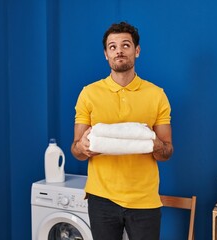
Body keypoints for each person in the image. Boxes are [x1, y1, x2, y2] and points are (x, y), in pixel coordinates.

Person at [71, 21, 173, 240]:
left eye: (126, 45)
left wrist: (155, 144)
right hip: (101, 198)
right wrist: (83, 146)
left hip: (145, 199)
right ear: (106, 54)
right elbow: (76, 150)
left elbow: (166, 151)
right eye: (112, 47)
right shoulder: (89, 94)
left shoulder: (157, 95)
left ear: (136, 51)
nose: (119, 51)